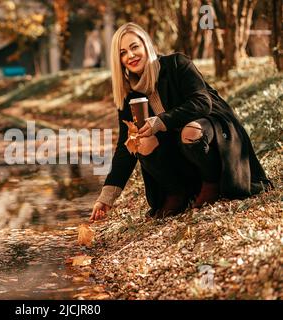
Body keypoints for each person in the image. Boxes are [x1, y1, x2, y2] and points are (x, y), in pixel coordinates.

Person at [90, 22, 273, 221]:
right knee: (138, 142)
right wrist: (106, 197)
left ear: (146, 45)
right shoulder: (129, 96)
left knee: (190, 131)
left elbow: (202, 103)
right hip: (178, 151)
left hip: (211, 133)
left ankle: (211, 183)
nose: (130, 56)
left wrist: (160, 122)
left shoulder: (177, 64)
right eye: (123, 52)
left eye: (135, 47)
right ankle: (176, 193)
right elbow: (126, 147)